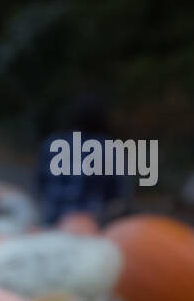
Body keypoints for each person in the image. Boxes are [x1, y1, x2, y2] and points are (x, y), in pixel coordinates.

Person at [34, 95, 132, 226]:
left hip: (52, 221)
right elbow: (120, 195)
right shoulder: (110, 149)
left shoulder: (52, 142)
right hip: (89, 226)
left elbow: (41, 182)